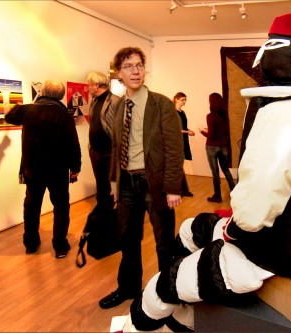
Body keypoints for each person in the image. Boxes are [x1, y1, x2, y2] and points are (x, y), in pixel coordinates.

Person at [126, 12, 291, 332]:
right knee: (194, 227)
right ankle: (185, 307)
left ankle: (145, 321)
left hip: (269, 246)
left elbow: (259, 201)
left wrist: (234, 230)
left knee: (167, 284)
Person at [98, 47, 184, 309]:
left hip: (154, 183)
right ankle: (129, 287)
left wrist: (172, 187)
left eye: (139, 65)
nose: (135, 71)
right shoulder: (119, 106)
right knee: (127, 237)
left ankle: (167, 292)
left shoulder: (161, 104)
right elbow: (115, 147)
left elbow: (173, 147)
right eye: (128, 67)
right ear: (118, 74)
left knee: (163, 241)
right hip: (126, 183)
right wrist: (114, 182)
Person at [4, 80, 81, 259]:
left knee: (32, 206)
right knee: (61, 206)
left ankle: (30, 244)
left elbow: (9, 117)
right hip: (58, 170)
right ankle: (60, 246)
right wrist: (75, 167)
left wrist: (19, 106)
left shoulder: (27, 110)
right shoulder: (64, 115)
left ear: (42, 92)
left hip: (33, 169)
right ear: (61, 95)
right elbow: (73, 144)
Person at [87, 71, 119, 205]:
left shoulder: (115, 101)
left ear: (96, 84)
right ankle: (103, 212)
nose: (88, 88)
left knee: (111, 187)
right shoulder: (94, 102)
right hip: (95, 151)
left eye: (89, 85)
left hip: (109, 152)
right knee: (100, 184)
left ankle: (112, 216)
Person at [199, 92, 235, 203]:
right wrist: (209, 130)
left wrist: (202, 132)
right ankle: (235, 192)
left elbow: (211, 135)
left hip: (212, 147)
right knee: (226, 170)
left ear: (211, 102)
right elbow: (222, 132)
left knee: (215, 172)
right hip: (223, 146)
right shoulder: (225, 116)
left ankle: (217, 196)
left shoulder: (210, 116)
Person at [173, 92, 194, 197]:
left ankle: (183, 190)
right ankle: (181, 190)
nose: (184, 102)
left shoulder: (183, 112)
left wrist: (189, 130)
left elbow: (184, 127)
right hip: (176, 141)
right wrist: (187, 132)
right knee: (178, 166)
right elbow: (174, 129)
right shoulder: (173, 112)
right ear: (176, 99)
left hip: (184, 140)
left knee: (179, 166)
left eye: (185, 100)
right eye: (182, 99)